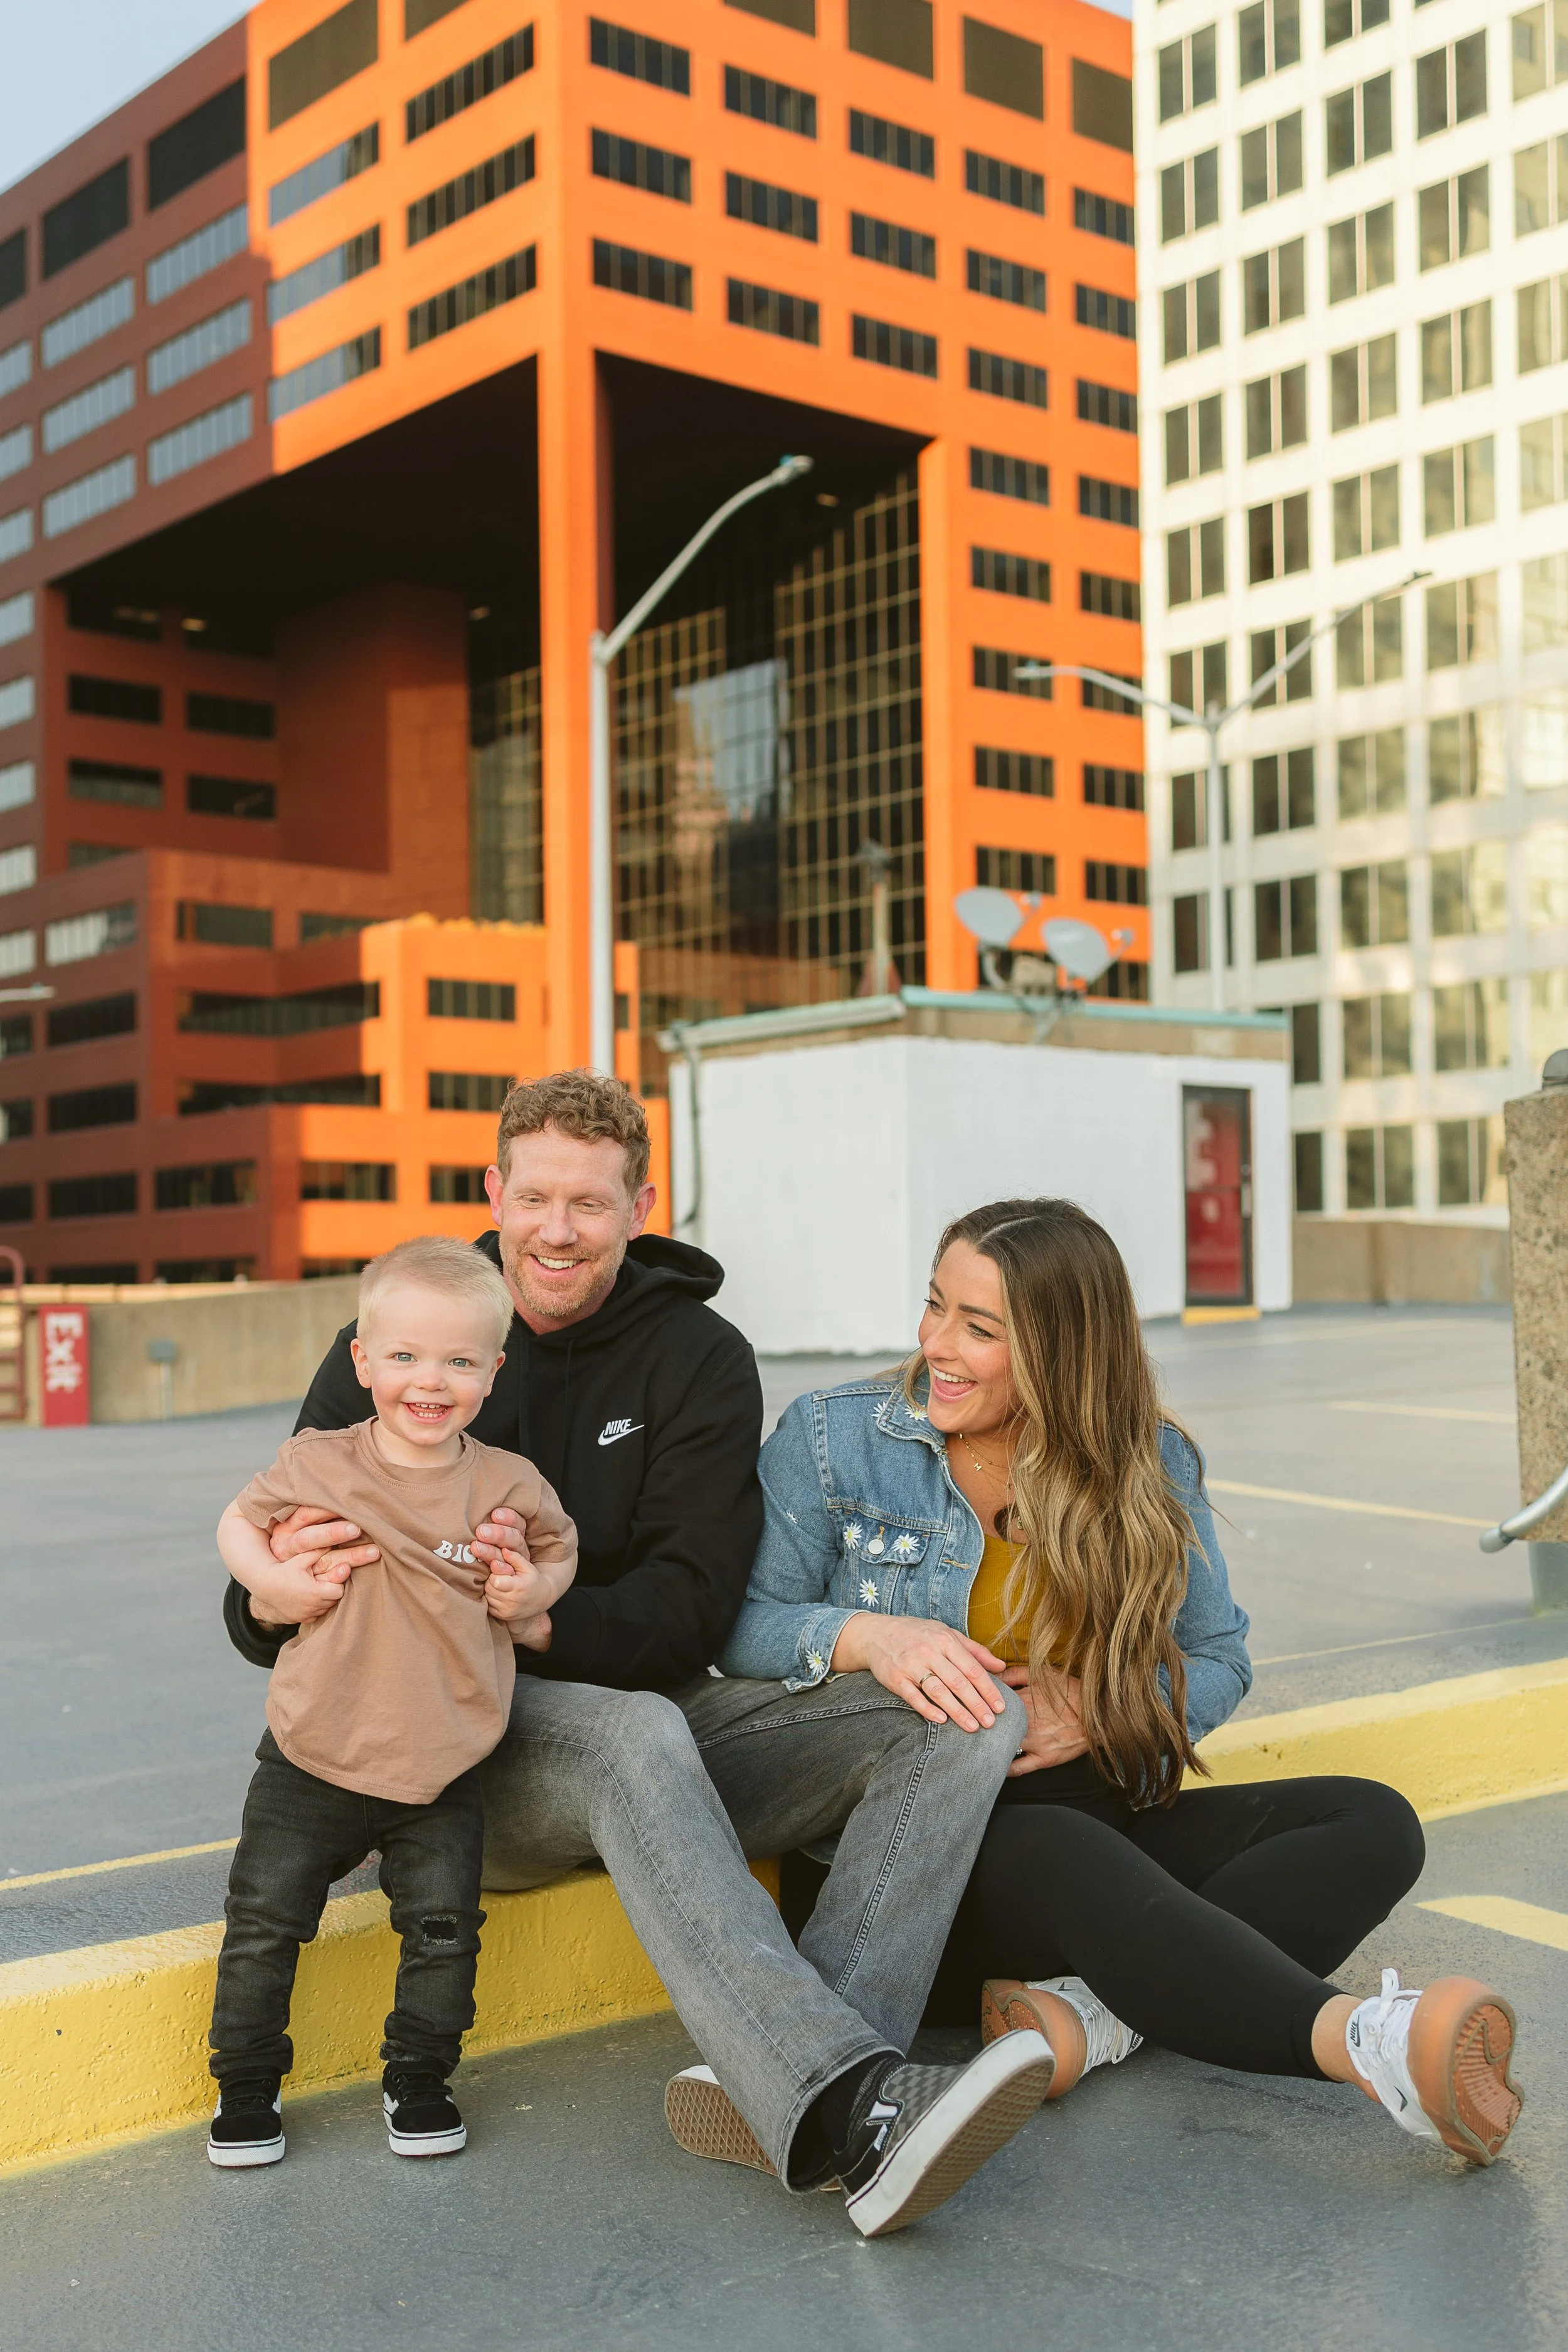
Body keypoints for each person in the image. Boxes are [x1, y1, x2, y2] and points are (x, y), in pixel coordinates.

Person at [221, 1073, 1051, 2237]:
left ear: (640, 1204)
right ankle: (850, 2106)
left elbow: (697, 1604)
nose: (559, 1230)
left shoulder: (699, 1356)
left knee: (963, 1710)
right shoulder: (406, 1340)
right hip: (451, 1770)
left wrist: (541, 1613)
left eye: (592, 1203)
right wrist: (279, 1591)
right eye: (536, 1198)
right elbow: (253, 1591)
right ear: (494, 1193)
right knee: (632, 1729)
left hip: (656, 1731)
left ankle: (797, 2074)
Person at [714, 1197, 1523, 2171]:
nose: (938, 1344)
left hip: (1098, 1815)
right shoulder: (833, 1438)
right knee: (1062, 1852)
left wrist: (1104, 1710)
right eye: (935, 1308)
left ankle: (1094, 2016)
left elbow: (1219, 1654)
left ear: (1062, 1349)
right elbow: (742, 1629)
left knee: (1374, 1822)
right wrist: (867, 1636)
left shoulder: (1150, 1458)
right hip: (912, 1866)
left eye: (979, 1328)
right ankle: (1368, 2043)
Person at [207, 1236, 576, 2169]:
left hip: (443, 1763)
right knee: (263, 1925)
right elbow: (236, 1523)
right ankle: (246, 2089)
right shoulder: (319, 1461)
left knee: (446, 1934)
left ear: (494, 1370)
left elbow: (559, 1550)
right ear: (362, 1361)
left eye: (459, 1360)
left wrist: (532, 1593)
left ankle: (420, 2079)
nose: (430, 1380)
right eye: (405, 1355)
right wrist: (272, 1589)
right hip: (309, 1752)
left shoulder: (507, 1484)